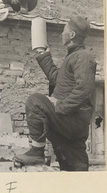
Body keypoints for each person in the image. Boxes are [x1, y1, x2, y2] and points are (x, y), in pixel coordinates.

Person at [14, 15, 97, 171]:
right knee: (76, 172)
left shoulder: (83, 57)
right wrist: (43, 55)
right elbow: (57, 79)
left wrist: (59, 106)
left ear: (72, 35)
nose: (61, 34)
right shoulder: (74, 56)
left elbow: (85, 89)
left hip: (73, 118)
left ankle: (37, 150)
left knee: (35, 101)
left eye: (64, 30)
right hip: (73, 123)